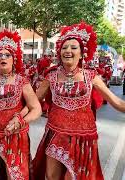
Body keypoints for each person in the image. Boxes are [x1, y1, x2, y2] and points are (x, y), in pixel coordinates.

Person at [29, 22, 125, 180]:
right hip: (55, 134)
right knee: (52, 176)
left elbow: (117, 102)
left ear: (82, 53)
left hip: (82, 139)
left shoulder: (91, 76)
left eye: (74, 47)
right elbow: (33, 100)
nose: (68, 50)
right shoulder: (50, 75)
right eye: (65, 47)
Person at [0, 30, 41, 179]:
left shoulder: (21, 81)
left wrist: (21, 120)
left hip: (15, 136)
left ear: (14, 59)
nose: (3, 57)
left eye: (7, 55)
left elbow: (36, 109)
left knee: (14, 175)